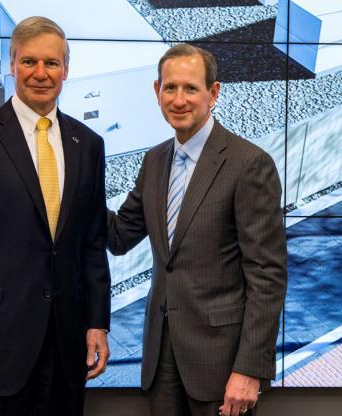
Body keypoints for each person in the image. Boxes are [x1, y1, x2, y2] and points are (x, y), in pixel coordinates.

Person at [0, 16, 111, 416]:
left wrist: (97, 324)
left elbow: (92, 245)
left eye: (51, 63)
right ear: (11, 65)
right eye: (29, 62)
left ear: (66, 70)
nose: (40, 74)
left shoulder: (88, 145)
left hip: (66, 352)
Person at [107, 44, 287, 416]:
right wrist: (71, 177)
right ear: (156, 91)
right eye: (169, 88)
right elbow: (119, 236)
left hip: (222, 367)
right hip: (162, 360)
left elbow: (267, 275)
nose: (179, 99)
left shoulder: (249, 164)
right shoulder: (155, 160)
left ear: (214, 93)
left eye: (191, 88)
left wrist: (249, 370)